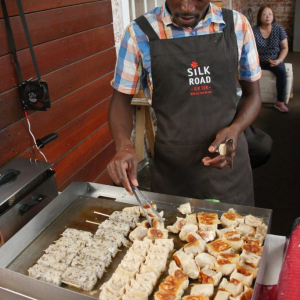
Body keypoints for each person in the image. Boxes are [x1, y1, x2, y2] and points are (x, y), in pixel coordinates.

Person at [107, 0, 263, 206]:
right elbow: (120, 101)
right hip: (174, 174)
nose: (186, 8)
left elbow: (253, 95)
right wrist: (123, 144)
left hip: (227, 167)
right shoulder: (139, 33)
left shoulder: (236, 25)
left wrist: (235, 129)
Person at [253, 5, 289, 113]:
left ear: (273, 16)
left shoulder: (278, 29)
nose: (267, 16)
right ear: (260, 17)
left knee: (282, 71)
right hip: (258, 60)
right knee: (247, 71)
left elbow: (285, 47)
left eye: (270, 14)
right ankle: (251, 100)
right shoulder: (254, 31)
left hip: (274, 60)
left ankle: (280, 102)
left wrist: (279, 60)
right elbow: (249, 47)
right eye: (264, 14)